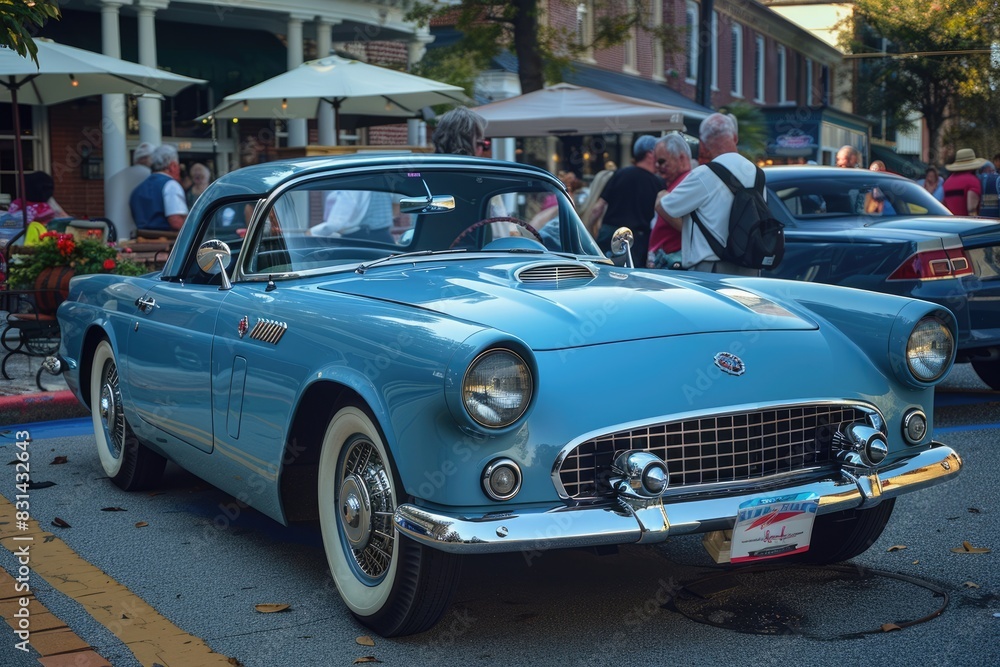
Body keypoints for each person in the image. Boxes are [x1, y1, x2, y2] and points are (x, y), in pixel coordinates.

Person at [663, 112, 761, 276]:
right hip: (750, 268)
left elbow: (669, 207)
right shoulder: (758, 173)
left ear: (702, 144)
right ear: (735, 138)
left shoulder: (704, 174)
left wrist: (661, 196)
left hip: (711, 269)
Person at [588, 135, 664, 266]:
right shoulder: (658, 184)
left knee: (602, 276)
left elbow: (597, 208)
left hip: (610, 235)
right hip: (636, 241)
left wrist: (588, 236)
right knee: (630, 282)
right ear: (650, 154)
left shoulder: (620, 174)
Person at [648, 134, 692, 268]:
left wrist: (661, 203)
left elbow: (688, 228)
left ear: (681, 158)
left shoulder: (688, 182)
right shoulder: (678, 182)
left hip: (672, 263)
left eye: (661, 161)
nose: (656, 166)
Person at [129, 144, 189, 232]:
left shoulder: (137, 189)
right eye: (177, 165)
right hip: (168, 242)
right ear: (173, 166)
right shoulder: (171, 185)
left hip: (141, 240)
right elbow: (176, 221)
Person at [105, 142, 155, 240]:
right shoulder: (150, 176)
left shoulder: (114, 178)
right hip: (136, 236)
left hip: (111, 233)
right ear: (149, 159)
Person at [942, 148, 985, 216]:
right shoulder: (973, 181)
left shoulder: (947, 182)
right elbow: (971, 209)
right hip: (966, 223)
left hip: (950, 223)